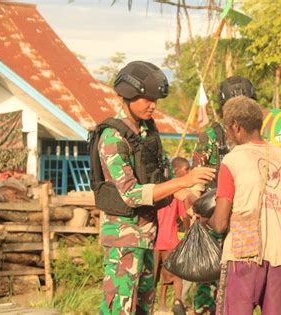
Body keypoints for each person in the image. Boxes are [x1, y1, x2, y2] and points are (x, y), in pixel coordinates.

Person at [89, 61, 215, 315]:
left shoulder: (148, 132)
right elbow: (132, 194)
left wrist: (187, 197)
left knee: (144, 307)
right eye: (146, 98)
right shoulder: (113, 138)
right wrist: (184, 180)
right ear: (127, 95)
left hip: (148, 236)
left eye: (155, 99)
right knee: (120, 309)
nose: (153, 105)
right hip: (124, 240)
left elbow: (161, 181)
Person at [209, 96, 281, 315]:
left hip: (242, 255)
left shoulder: (232, 160)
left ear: (236, 127)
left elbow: (221, 223)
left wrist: (207, 218)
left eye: (227, 128)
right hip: (280, 254)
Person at [190, 75, 257, 315]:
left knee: (240, 283)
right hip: (213, 220)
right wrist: (198, 211)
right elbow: (195, 183)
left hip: (245, 222)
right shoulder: (210, 138)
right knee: (208, 281)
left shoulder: (257, 140)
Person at [154, 157, 191, 315]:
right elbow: (184, 217)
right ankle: (177, 300)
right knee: (176, 274)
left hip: (155, 242)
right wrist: (188, 233)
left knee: (154, 275)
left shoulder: (156, 192)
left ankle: (157, 304)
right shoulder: (176, 193)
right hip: (171, 241)